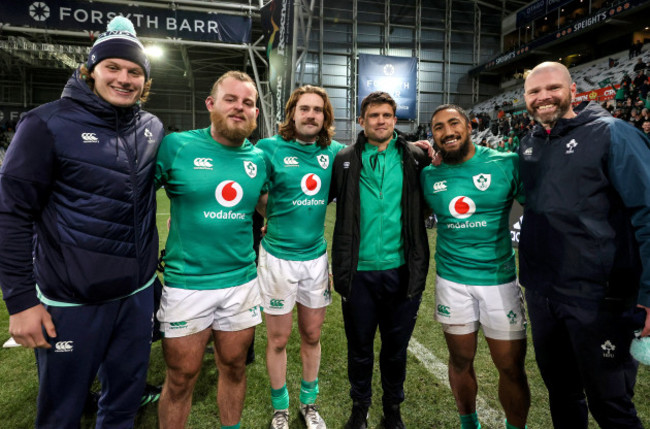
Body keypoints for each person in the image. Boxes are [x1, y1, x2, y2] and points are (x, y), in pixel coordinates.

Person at [0, 16, 164, 427]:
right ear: (90, 71)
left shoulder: (150, 128)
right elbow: (11, 212)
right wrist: (21, 301)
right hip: (72, 302)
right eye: (113, 67)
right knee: (61, 414)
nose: (124, 78)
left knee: (123, 406)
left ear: (145, 81)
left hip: (137, 294)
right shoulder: (46, 124)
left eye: (134, 71)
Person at [520, 61, 650, 428]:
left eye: (553, 88)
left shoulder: (613, 134)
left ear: (573, 91)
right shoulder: (529, 141)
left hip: (600, 300)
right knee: (562, 396)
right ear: (525, 99)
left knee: (611, 405)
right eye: (534, 91)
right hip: (544, 293)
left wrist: (649, 294)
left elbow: (648, 214)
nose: (544, 97)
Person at [155, 71, 266, 429]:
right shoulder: (177, 146)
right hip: (188, 283)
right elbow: (134, 198)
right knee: (181, 377)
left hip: (241, 282)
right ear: (211, 104)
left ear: (255, 113)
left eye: (248, 103)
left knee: (234, 367)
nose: (240, 108)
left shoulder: (259, 158)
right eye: (231, 99)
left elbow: (272, 206)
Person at [420, 105, 530, 429]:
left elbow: (538, 207)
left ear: (469, 126)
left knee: (510, 367)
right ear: (433, 136)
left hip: (500, 281)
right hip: (452, 283)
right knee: (460, 359)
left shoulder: (507, 164)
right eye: (438, 127)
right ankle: (469, 424)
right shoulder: (429, 175)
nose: (447, 131)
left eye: (454, 123)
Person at [329, 91, 430, 429]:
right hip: (358, 274)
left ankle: (392, 410)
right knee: (359, 348)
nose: (381, 121)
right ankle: (360, 408)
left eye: (387, 115)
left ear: (395, 120)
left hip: (402, 271)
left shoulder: (415, 157)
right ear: (362, 120)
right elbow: (311, 198)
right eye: (374, 115)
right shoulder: (343, 159)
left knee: (395, 349)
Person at [255, 85, 344, 429]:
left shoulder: (336, 152)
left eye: (318, 110)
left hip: (316, 260)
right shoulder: (268, 149)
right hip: (277, 258)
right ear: (292, 113)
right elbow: (254, 193)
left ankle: (309, 405)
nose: (311, 115)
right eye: (304, 109)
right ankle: (280, 408)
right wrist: (270, 218)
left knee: (312, 336)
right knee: (278, 339)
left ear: (326, 117)